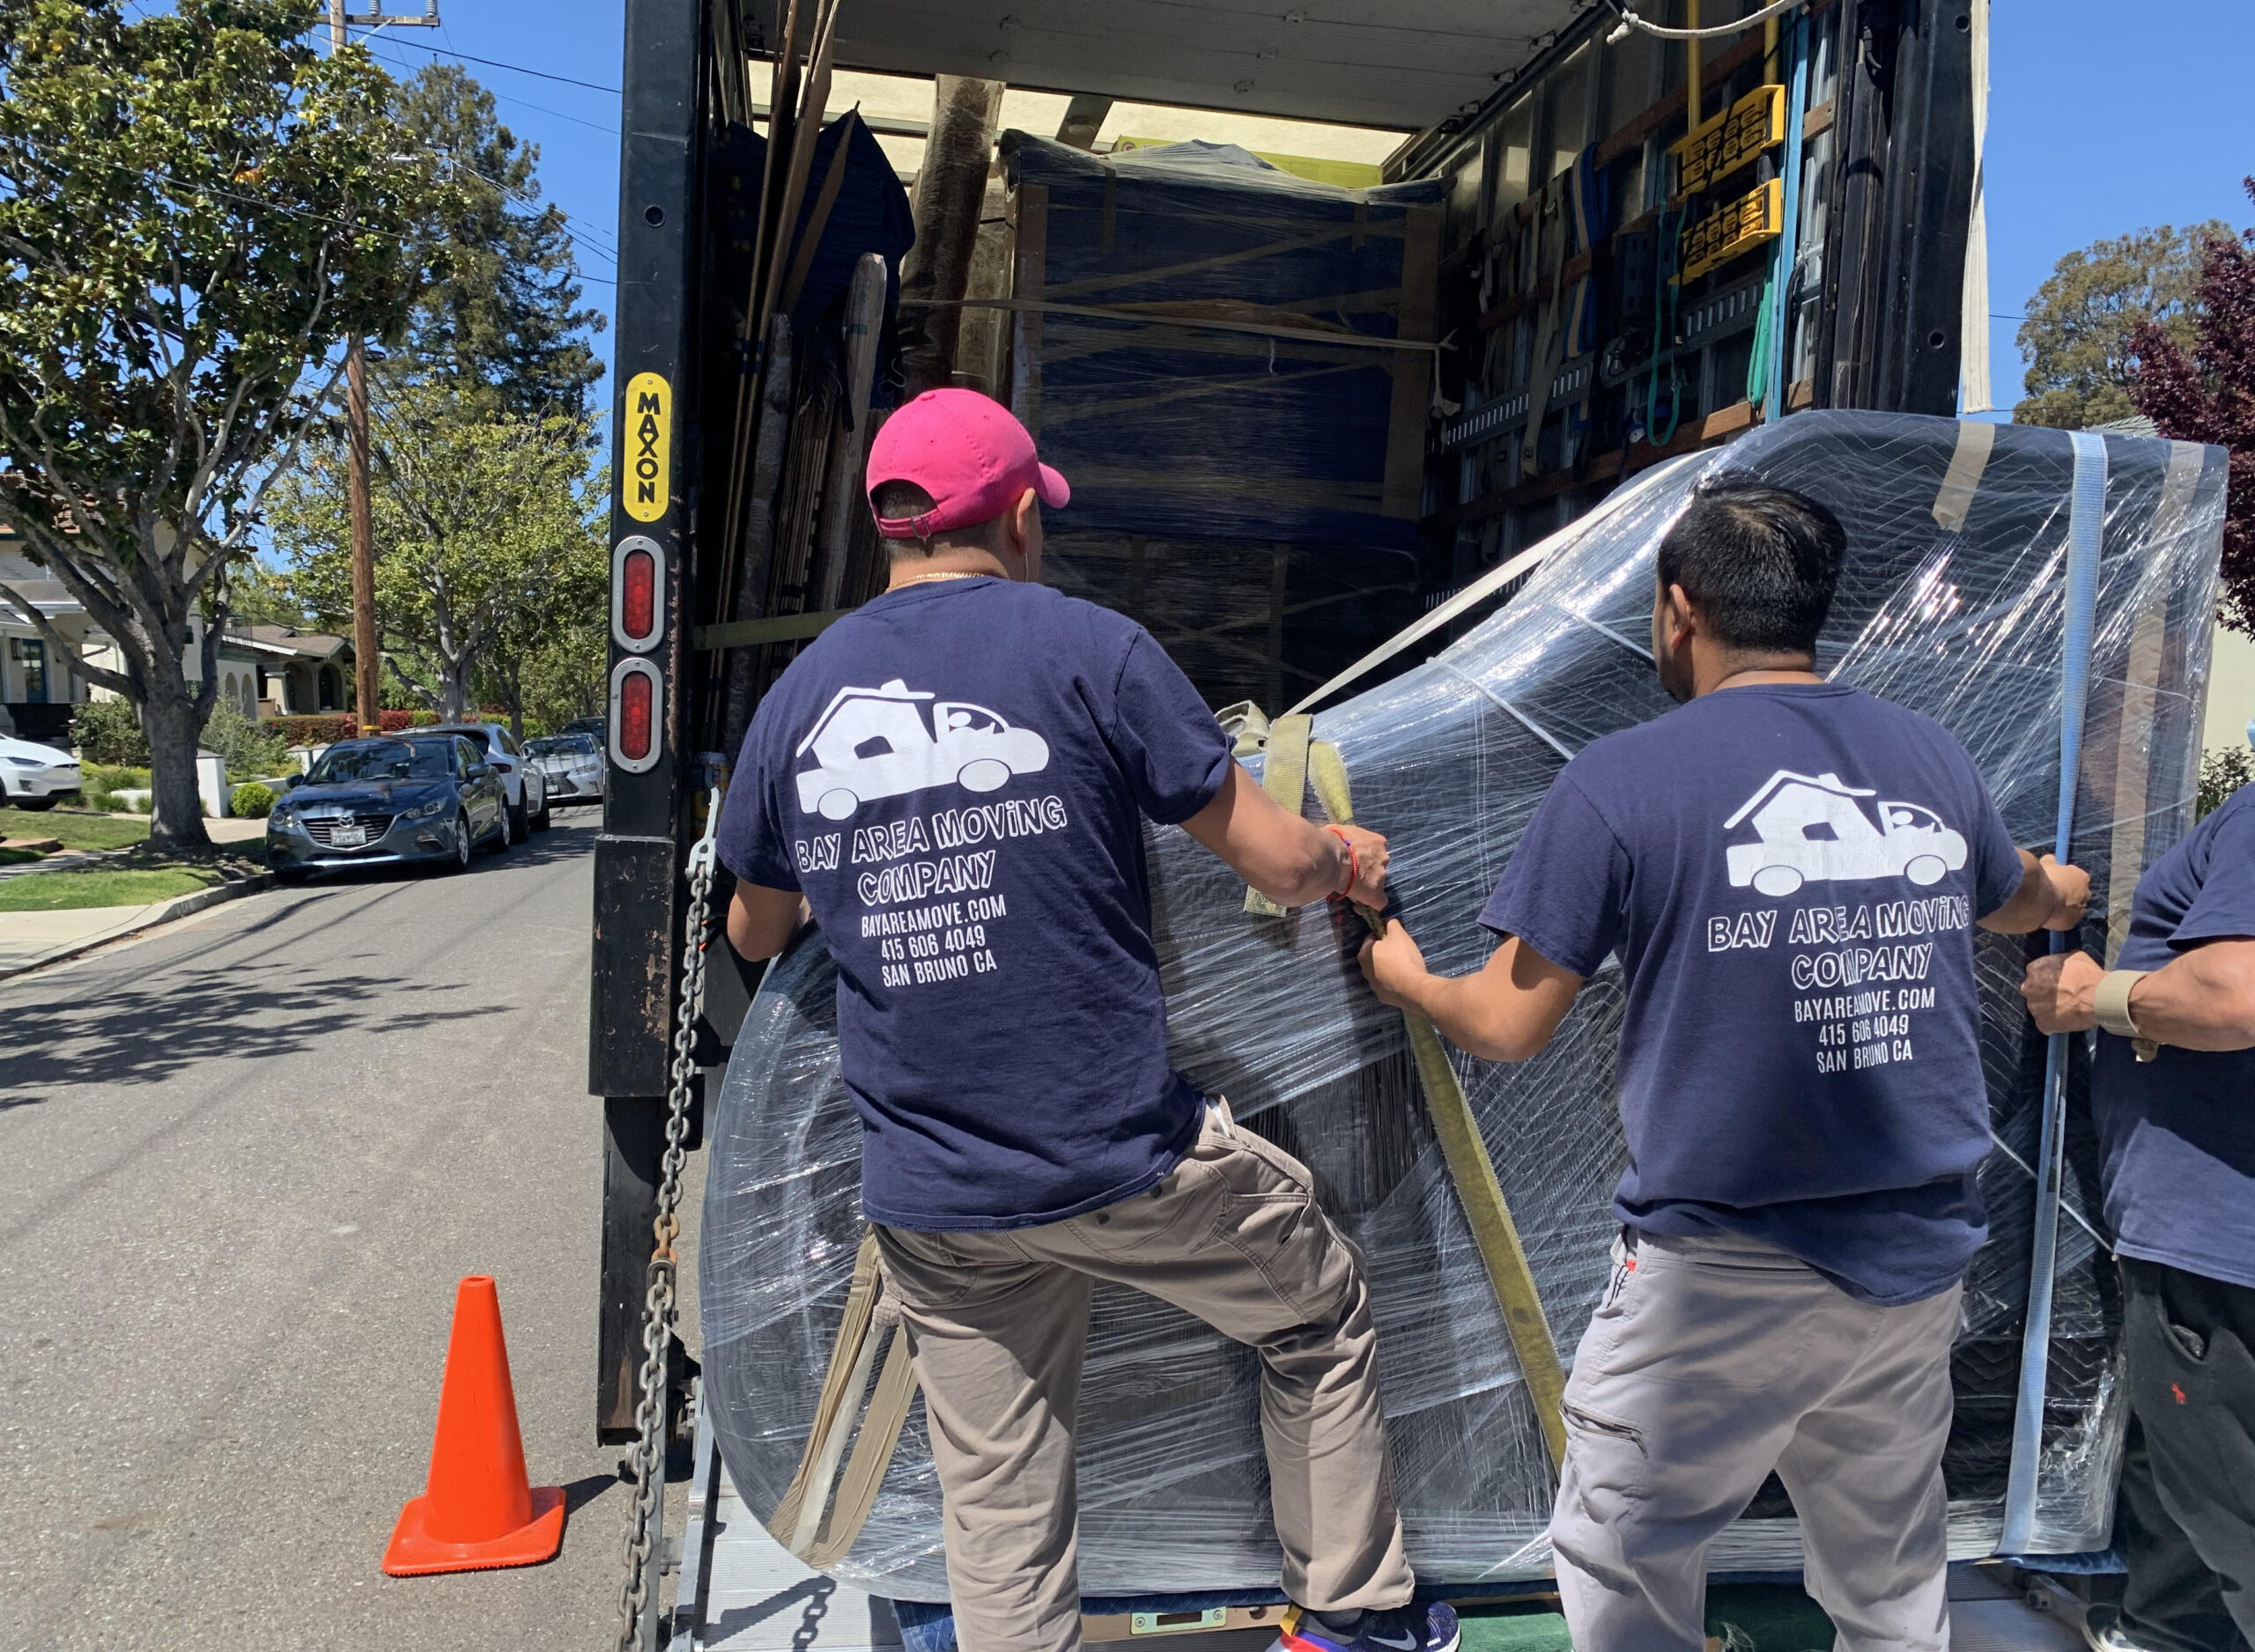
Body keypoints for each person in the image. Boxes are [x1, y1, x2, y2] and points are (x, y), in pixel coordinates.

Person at [717, 387, 1459, 1652]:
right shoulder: (1090, 650)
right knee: (1319, 1310)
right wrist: (1344, 856)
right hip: (1118, 1159)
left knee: (1000, 1507)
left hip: (932, 1197)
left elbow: (753, 935)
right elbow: (1276, 865)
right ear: (1017, 518)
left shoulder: (798, 702)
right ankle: (1349, 1617)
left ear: (888, 529)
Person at [1357, 478, 2089, 1652]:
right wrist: (2066, 889)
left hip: (1721, 1271)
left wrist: (1402, 976)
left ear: (1678, 610)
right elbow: (2014, 897)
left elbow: (1504, 1023)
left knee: (1623, 1551)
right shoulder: (1931, 759)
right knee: (1892, 1583)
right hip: (1912, 1262)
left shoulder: (1626, 780)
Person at [2022, 779, 2255, 1652]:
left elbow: (2237, 993)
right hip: (2210, 1251)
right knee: (2184, 1530)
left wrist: (2093, 998)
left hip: (2219, 1259)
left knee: (2232, 1518)